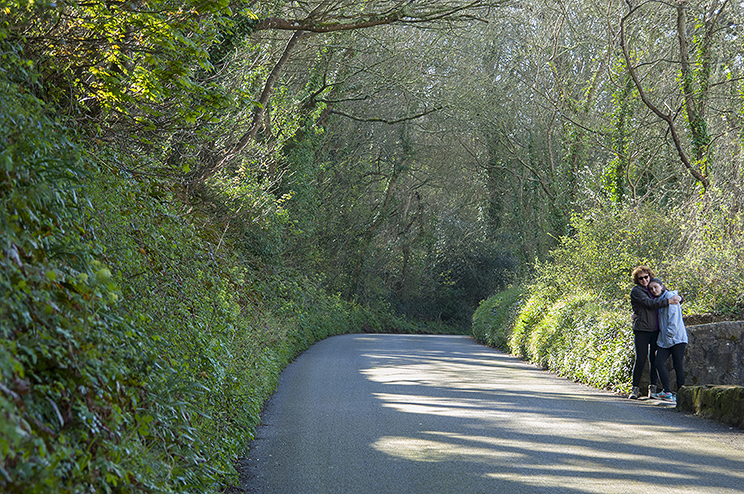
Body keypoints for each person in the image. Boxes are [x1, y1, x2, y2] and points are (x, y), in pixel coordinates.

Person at [628, 266, 681, 399]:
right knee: (640, 359)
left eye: (646, 277)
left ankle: (653, 388)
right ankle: (635, 389)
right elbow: (649, 303)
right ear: (637, 280)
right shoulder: (637, 291)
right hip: (642, 330)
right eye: (641, 278)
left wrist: (678, 299)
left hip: (656, 330)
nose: (644, 280)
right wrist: (668, 302)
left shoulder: (654, 286)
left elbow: (672, 295)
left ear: (650, 276)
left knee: (653, 359)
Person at [649, 278, 688, 402]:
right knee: (658, 362)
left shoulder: (671, 297)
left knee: (678, 365)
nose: (654, 290)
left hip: (677, 338)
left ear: (662, 286)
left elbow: (673, 320)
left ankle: (681, 394)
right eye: (651, 289)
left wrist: (669, 336)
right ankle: (667, 391)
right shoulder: (659, 301)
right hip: (664, 339)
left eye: (655, 287)